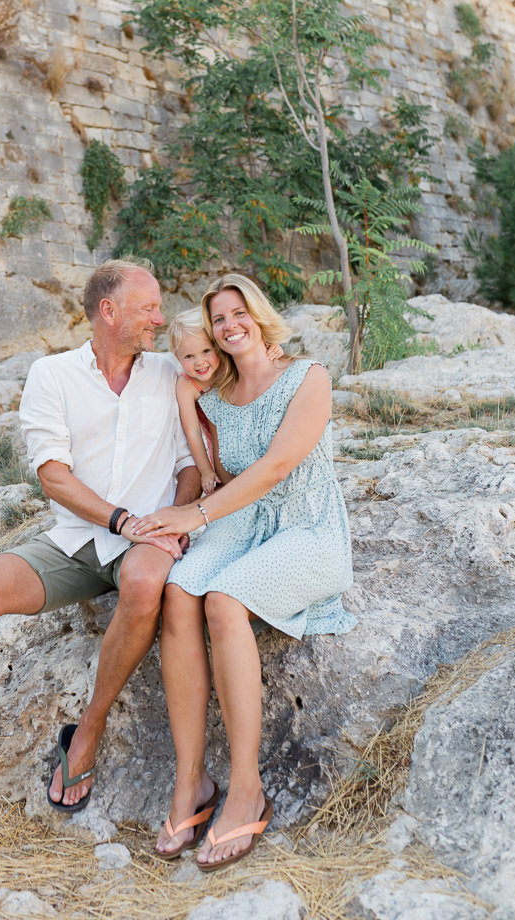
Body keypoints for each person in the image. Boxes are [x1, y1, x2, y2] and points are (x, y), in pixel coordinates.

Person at [0, 258, 200, 847]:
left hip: (152, 541)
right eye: (149, 309)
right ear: (108, 312)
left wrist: (171, 521)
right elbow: (54, 478)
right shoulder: (52, 375)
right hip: (78, 539)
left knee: (142, 585)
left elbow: (189, 463)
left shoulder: (169, 372)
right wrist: (121, 520)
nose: (159, 320)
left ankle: (87, 730)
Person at [132, 272, 356, 872]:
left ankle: (247, 785)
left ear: (259, 316)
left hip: (305, 526)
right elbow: (177, 383)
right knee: (179, 590)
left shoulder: (307, 378)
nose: (230, 327)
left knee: (223, 600)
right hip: (242, 525)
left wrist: (193, 512)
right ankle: (191, 782)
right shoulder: (214, 392)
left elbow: (279, 466)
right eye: (219, 320)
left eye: (239, 314)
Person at [166, 309, 283, 496]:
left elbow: (258, 360)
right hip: (218, 437)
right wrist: (206, 472)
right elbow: (193, 433)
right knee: (228, 479)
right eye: (188, 356)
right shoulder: (186, 385)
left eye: (206, 351)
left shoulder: (227, 363)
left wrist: (274, 348)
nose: (199, 362)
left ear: (217, 346)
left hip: (247, 424)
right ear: (177, 357)